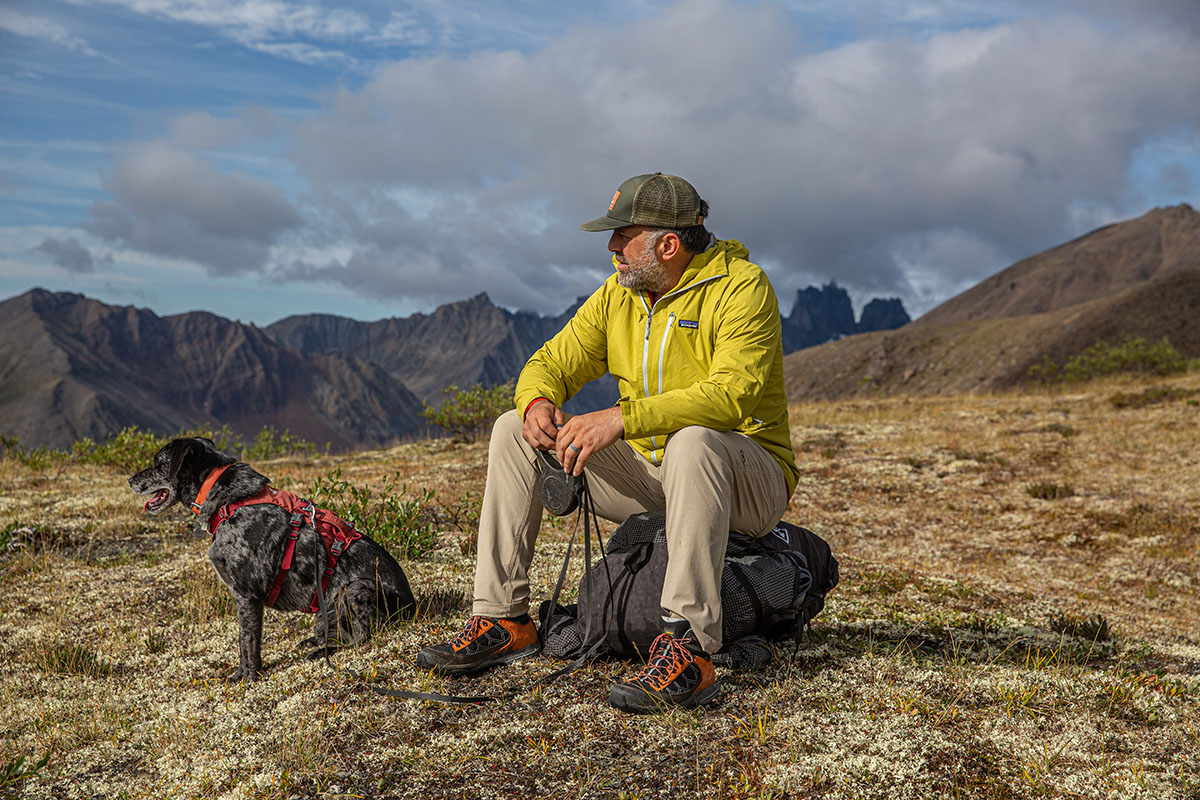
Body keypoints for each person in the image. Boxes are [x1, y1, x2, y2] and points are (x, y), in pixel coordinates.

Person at [416, 172, 799, 713]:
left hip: (745, 482)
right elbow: (548, 363)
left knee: (692, 442)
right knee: (511, 429)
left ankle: (691, 650)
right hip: (655, 480)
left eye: (623, 234)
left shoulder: (742, 287)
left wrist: (623, 418)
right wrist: (537, 403)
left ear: (668, 244)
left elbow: (731, 397)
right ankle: (505, 619)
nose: (612, 246)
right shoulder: (618, 296)